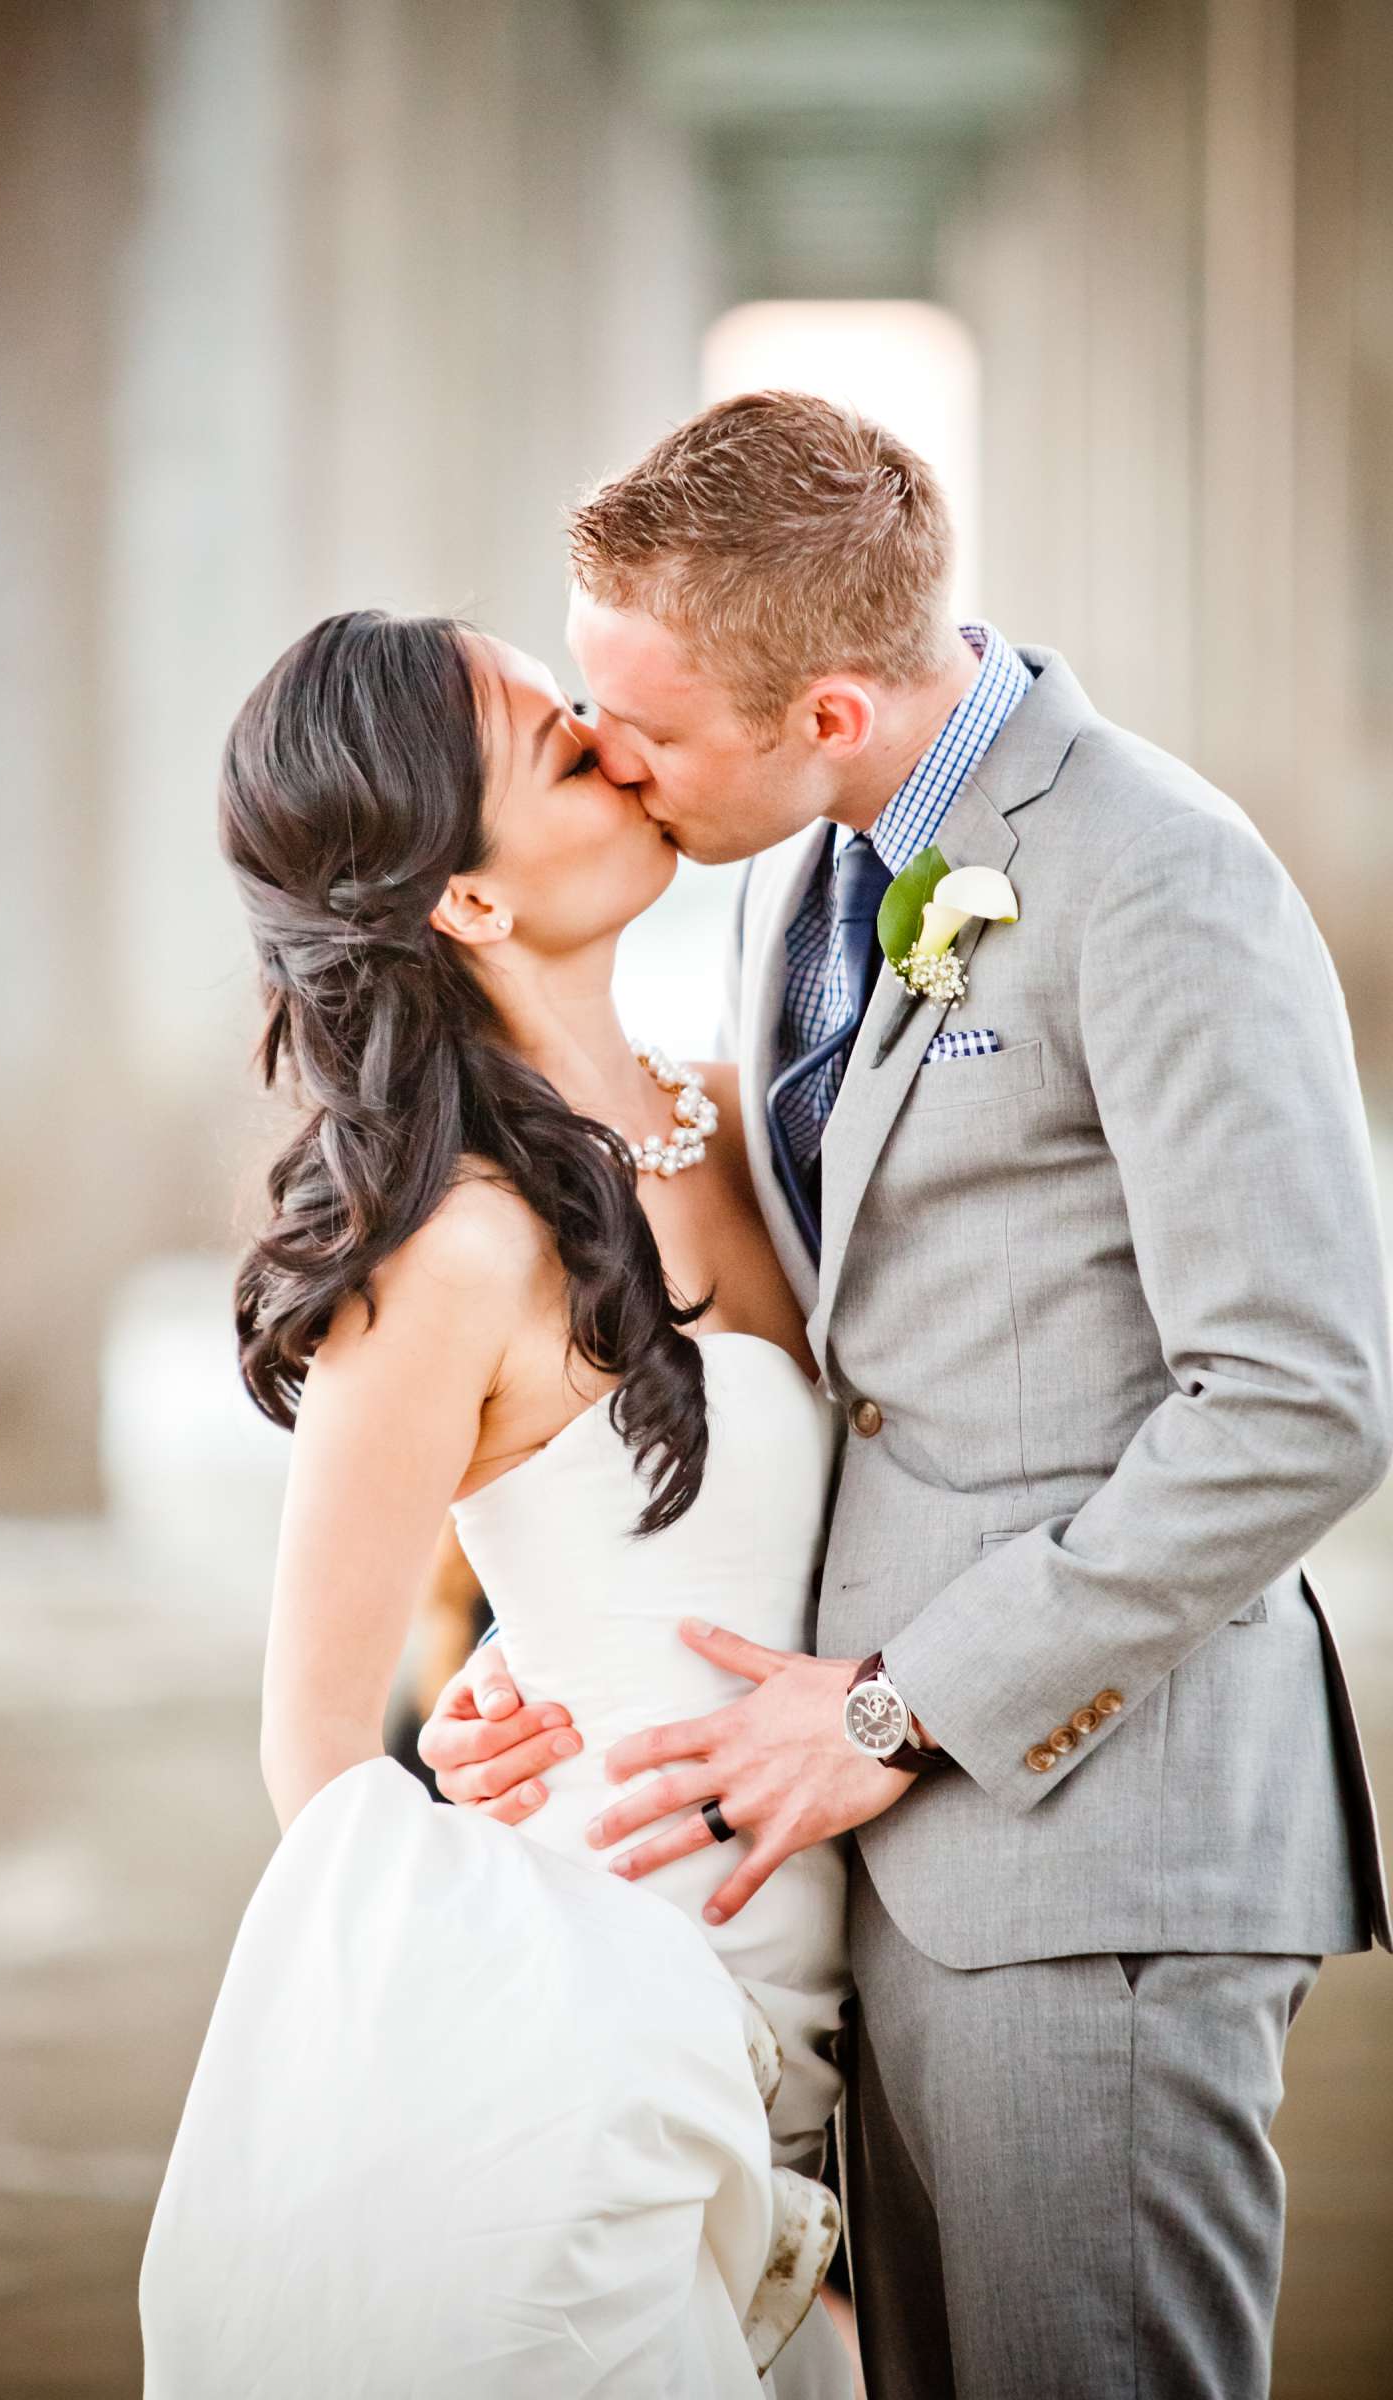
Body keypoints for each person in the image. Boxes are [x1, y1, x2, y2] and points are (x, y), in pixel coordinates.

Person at [421, 390, 1393, 2399]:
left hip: (1090, 1854)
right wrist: (544, 1650)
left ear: (830, 713)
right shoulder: (799, 870)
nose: (614, 766)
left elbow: (1299, 1398)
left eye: (650, 734)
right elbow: (813, 1367)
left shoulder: (1153, 877)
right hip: (866, 1865)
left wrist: (892, 1707)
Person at [136, 608, 856, 2398]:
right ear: (465, 897)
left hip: (845, 1995)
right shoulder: (449, 1255)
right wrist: (454, 1773)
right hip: (607, 2044)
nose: (622, 743)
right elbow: (317, 1760)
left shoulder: (744, 1112)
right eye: (561, 744)